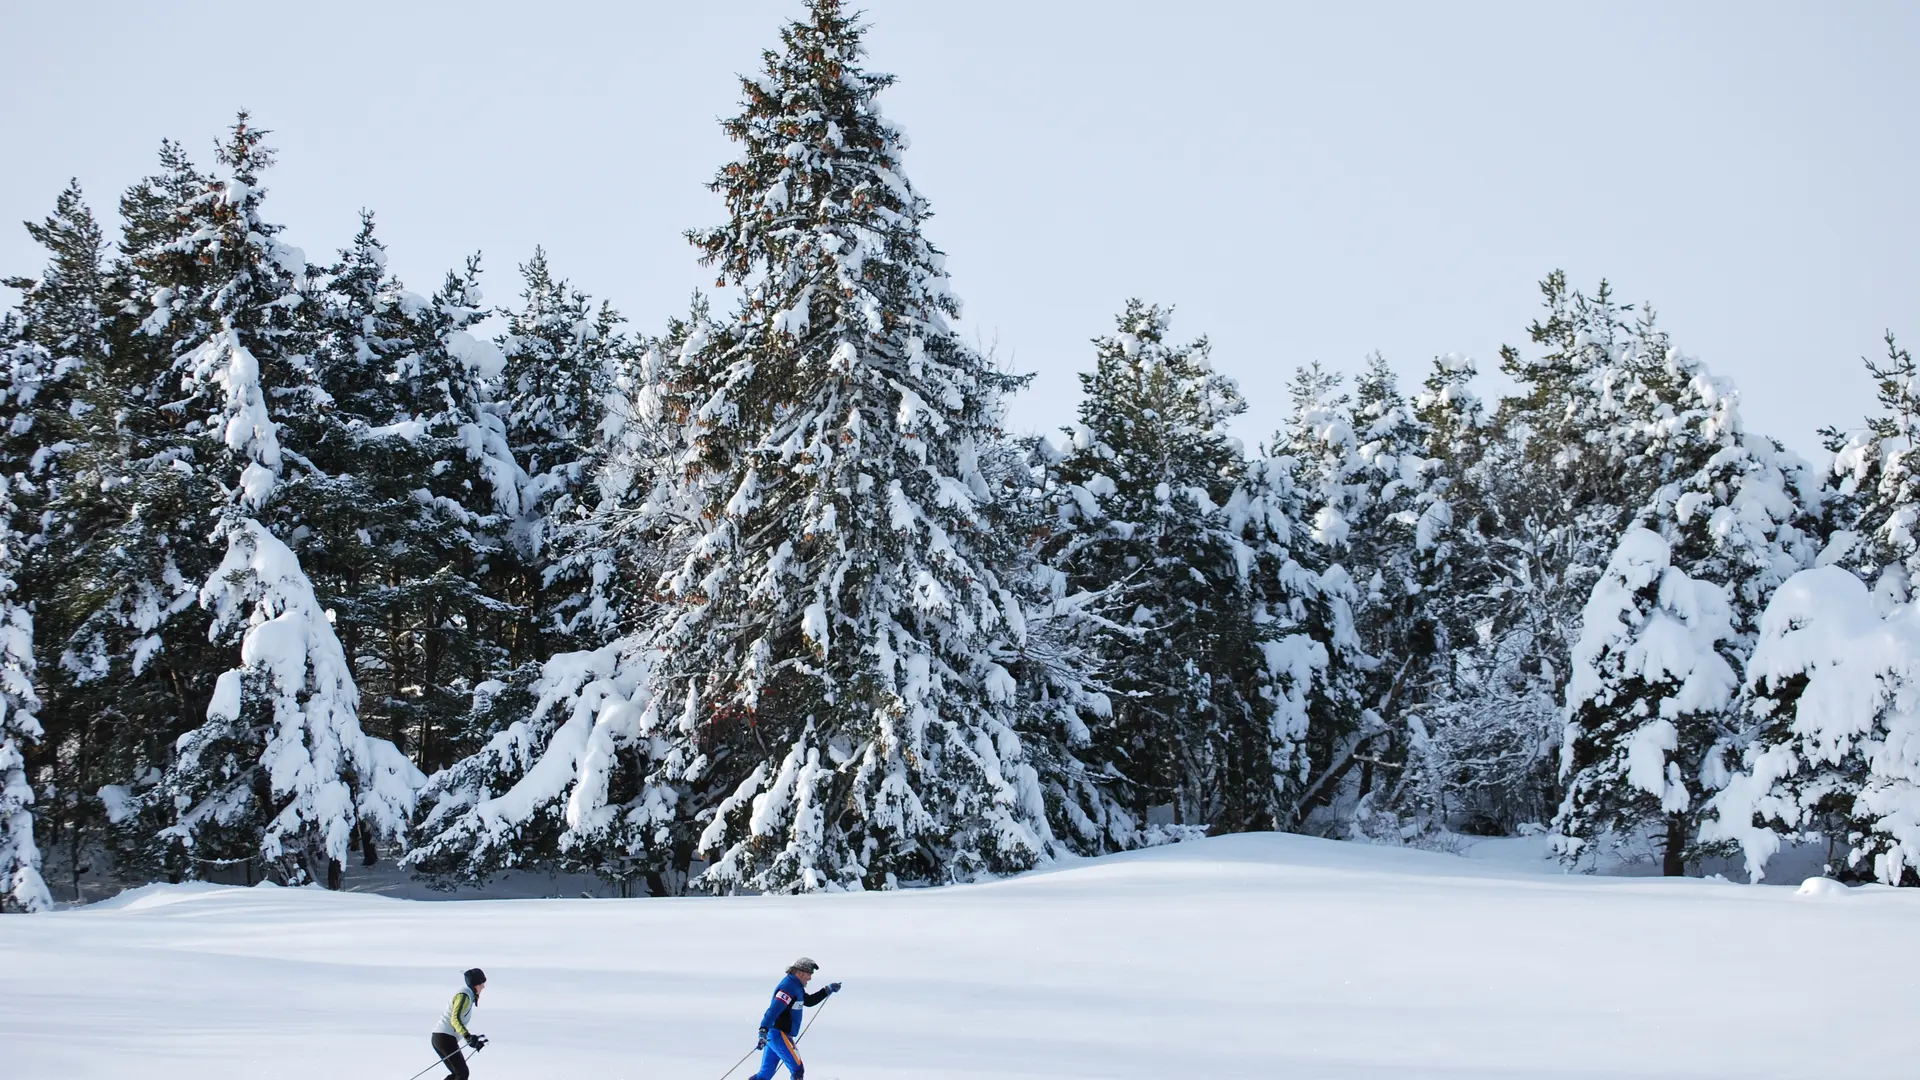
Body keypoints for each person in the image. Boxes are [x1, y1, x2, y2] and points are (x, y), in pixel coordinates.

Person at [749, 957, 842, 1080]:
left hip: (776, 1034)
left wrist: (827, 990)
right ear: (800, 972)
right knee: (797, 1069)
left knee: (765, 1074)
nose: (810, 978)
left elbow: (808, 1001)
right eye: (809, 974)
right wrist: (763, 1030)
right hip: (778, 1034)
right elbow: (773, 1010)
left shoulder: (796, 986)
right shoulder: (788, 988)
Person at [430, 967, 489, 1080]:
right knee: (462, 1074)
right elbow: (455, 1018)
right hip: (444, 1038)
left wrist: (473, 1040)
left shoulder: (468, 995)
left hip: (442, 1037)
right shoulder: (464, 996)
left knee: (457, 1074)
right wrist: (467, 1037)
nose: (483, 987)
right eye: (482, 984)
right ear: (476, 984)